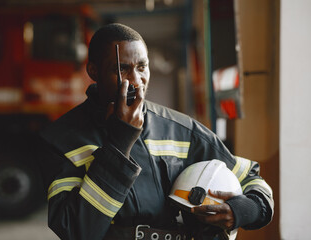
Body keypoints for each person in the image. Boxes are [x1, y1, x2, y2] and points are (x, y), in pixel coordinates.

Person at [38, 23, 274, 240]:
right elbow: (75, 230)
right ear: (93, 71)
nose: (136, 80)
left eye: (142, 67)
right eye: (121, 69)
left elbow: (253, 180)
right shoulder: (62, 139)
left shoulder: (179, 128)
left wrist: (241, 210)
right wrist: (120, 143)